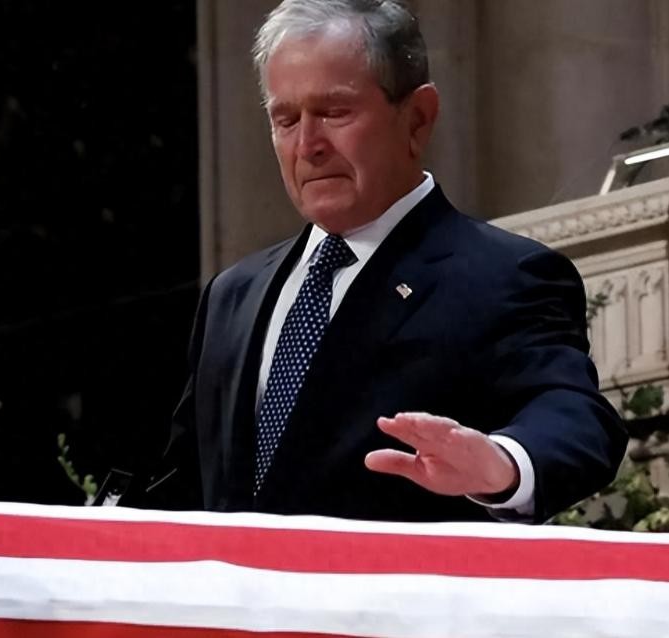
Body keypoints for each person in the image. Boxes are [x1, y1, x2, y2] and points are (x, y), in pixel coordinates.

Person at [119, 0, 627, 523]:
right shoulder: (233, 294)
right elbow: (184, 484)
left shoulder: (505, 276)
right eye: (286, 120)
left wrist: (502, 463)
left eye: (334, 112)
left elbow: (575, 418)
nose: (308, 145)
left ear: (418, 118)